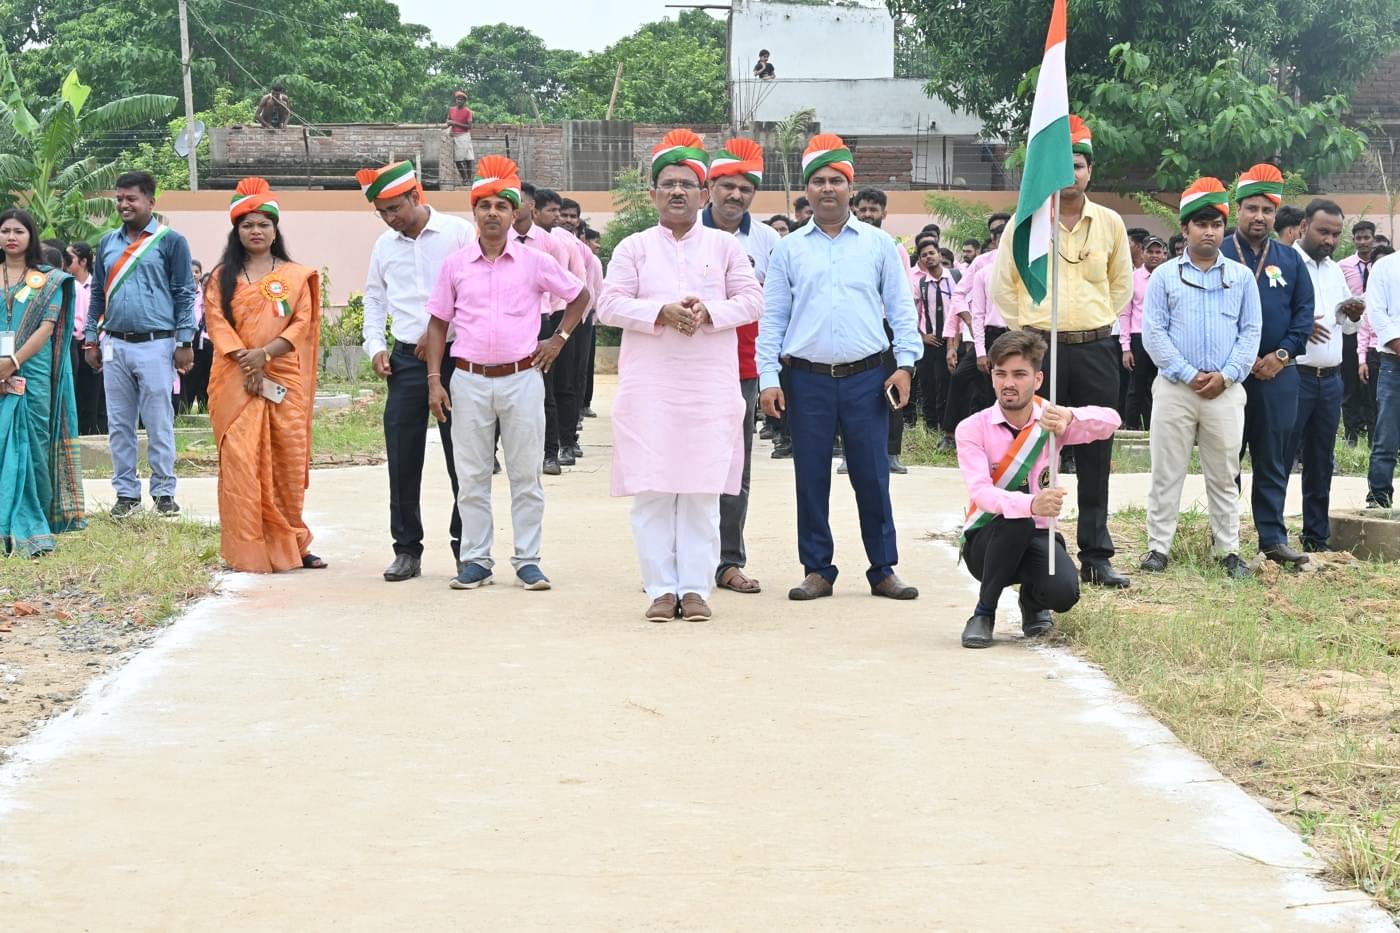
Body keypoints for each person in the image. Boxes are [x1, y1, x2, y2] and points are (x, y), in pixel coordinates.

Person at [599, 130, 763, 621]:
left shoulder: (725, 246)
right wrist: (661, 311)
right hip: (649, 388)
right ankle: (659, 589)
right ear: (652, 195)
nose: (677, 192)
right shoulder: (633, 247)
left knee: (700, 488)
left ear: (703, 193)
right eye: (668, 184)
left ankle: (695, 589)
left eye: (687, 184)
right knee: (652, 488)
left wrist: (709, 312)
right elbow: (607, 304)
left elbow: (753, 300)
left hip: (709, 389)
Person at [759, 133, 922, 602]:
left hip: (868, 379)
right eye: (818, 181)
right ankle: (817, 569)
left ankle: (883, 568)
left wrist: (905, 365)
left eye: (836, 180)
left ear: (851, 188)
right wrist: (769, 377)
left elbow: (901, 310)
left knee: (872, 475)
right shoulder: (789, 250)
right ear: (806, 191)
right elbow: (773, 319)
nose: (827, 189)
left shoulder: (878, 245)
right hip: (806, 380)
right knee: (810, 477)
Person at [425, 155, 589, 592]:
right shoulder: (456, 265)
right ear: (474, 212)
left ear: (516, 211)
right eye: (485, 206)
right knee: (472, 474)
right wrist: (434, 380)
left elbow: (580, 294)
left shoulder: (534, 261)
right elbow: (439, 322)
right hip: (469, 379)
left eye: (502, 205)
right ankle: (476, 560)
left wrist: (558, 340)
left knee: (525, 474)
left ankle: (528, 560)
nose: (493, 213)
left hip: (521, 379)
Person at [991, 116, 1135, 588]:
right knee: (1036, 451)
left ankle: (1096, 554)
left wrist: (1089, 324)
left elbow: (1121, 288)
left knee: (1095, 453)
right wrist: (1031, 339)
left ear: (1090, 171)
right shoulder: (1025, 222)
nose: (1070, 174)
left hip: (1094, 348)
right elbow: (1005, 288)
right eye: (1062, 165)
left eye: (1078, 166)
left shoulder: (1110, 223)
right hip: (1041, 352)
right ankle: (1040, 549)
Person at [956, 331, 1119, 648]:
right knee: (1017, 520)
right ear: (991, 376)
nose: (1008, 384)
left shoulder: (1051, 420)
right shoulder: (972, 428)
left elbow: (1111, 420)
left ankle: (1032, 603)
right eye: (1000, 374)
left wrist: (1072, 416)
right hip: (987, 541)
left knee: (1064, 592)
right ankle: (983, 612)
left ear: (1038, 378)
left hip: (1039, 535)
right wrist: (1031, 505)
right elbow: (982, 494)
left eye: (1019, 374)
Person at [359, 159, 475, 582]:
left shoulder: (459, 233)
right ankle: (406, 549)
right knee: (402, 456)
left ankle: (468, 548)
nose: (391, 218)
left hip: (458, 358)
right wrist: (375, 347)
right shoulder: (384, 246)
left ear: (415, 196)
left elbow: (476, 290)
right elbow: (374, 299)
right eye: (383, 212)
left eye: (395, 208)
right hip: (405, 361)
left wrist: (442, 332)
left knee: (462, 455)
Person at [1140, 178, 1261, 579]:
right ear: (1185, 229)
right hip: (1176, 388)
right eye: (1201, 224)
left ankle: (1227, 551)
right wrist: (1190, 374)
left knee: (1226, 474)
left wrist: (1226, 376)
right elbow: (1153, 333)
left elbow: (1251, 332)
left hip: (1225, 391)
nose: (1209, 231)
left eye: (1216, 224)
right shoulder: (1164, 277)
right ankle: (1158, 548)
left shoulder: (1242, 277)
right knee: (1166, 471)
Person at [203, 179, 324, 572]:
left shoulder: (294, 275)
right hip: (234, 377)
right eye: (247, 225)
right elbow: (216, 323)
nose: (256, 231)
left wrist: (264, 355)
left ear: (276, 230)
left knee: (286, 460)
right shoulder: (221, 277)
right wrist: (246, 361)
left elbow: (301, 324)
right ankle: (247, 547)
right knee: (240, 459)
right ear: (236, 232)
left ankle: (295, 542)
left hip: (282, 377)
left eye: (263, 225)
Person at [84, 170, 196, 517]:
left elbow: (184, 293)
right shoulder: (106, 243)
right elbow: (98, 296)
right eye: (119, 198)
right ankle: (126, 494)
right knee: (119, 424)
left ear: (150, 200)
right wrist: (91, 338)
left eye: (131, 198)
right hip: (115, 344)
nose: (123, 205)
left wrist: (185, 340)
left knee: (158, 420)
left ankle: (164, 491)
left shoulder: (170, 241)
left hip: (156, 344)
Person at [1219, 163, 1314, 568]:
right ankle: (1226, 540)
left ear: (1276, 216)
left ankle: (1272, 538)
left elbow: (1304, 314)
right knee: (1226, 458)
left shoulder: (1290, 261)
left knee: (1273, 457)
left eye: (1267, 210)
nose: (1259, 216)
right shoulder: (1218, 252)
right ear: (1237, 209)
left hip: (1277, 375)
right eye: (1252, 208)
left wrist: (1281, 355)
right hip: (1227, 376)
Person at [702, 137, 780, 596]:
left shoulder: (768, 241)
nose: (735, 195)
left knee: (735, 467)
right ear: (710, 187)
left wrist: (770, 372)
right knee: (682, 461)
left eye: (744, 189)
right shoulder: (685, 230)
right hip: (687, 367)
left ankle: (729, 561)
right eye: (727, 186)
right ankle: (680, 559)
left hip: (742, 368)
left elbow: (772, 310)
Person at [0, 208, 85, 555]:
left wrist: (12, 362)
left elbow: (46, 329)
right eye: (5, 230)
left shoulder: (49, 279)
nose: (11, 237)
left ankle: (32, 523)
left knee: (32, 442)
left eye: (18, 231)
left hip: (30, 371)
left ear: (31, 236)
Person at [1289, 199, 1365, 551]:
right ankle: (1273, 537)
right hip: (1295, 376)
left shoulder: (1335, 271)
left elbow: (1346, 329)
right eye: (1324, 232)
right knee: (1280, 457)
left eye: (1336, 234)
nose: (1330, 240)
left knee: (1321, 461)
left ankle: (1315, 537)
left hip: (1330, 379)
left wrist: (1351, 314)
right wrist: (1301, 328)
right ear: (1304, 226)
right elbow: (1271, 316)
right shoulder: (1285, 264)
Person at [512, 183, 580, 475]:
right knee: (504, 388)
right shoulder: (494, 240)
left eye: (517, 202)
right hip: (507, 323)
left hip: (543, 319)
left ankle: (552, 452)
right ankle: (494, 452)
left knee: (547, 388)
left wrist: (557, 334)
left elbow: (569, 287)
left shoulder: (552, 243)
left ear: (530, 206)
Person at [851, 186, 912, 474]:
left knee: (891, 389)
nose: (867, 214)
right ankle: (850, 456)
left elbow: (903, 296)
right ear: (854, 210)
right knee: (853, 393)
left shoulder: (894, 247)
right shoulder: (846, 245)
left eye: (873, 210)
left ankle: (892, 453)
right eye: (862, 209)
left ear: (884, 213)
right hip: (856, 326)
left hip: (886, 328)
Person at [546, 194, 593, 467]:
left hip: (564, 317)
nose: (562, 219)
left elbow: (585, 286)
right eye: (558, 213)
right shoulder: (514, 242)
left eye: (567, 215)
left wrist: (576, 325)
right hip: (532, 319)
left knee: (565, 383)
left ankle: (566, 442)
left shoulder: (570, 245)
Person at [1364, 242, 1400, 508]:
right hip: (1393, 361)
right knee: (1386, 433)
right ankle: (1378, 497)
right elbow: (1374, 310)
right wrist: (1397, 342)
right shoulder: (1385, 267)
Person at [911, 239, 955, 436]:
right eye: (924, 255)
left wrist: (954, 342)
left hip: (951, 342)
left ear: (939, 254)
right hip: (928, 343)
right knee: (928, 386)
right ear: (920, 260)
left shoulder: (955, 277)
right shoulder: (920, 284)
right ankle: (930, 430)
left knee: (945, 387)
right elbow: (913, 313)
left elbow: (961, 311)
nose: (928, 257)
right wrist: (922, 337)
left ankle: (946, 429)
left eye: (931, 253)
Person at [1340, 220, 1378, 446]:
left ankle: (1372, 432)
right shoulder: (1342, 266)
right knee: (1350, 383)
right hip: (1350, 331)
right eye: (1359, 238)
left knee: (1371, 385)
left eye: (1367, 237)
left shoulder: (1381, 266)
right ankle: (1350, 435)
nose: (1363, 242)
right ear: (1354, 240)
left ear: (1373, 238)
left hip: (1375, 334)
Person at [65, 241, 103, 435]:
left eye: (69, 258)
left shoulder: (96, 286)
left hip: (91, 344)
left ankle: (90, 434)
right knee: (75, 395)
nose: (65, 262)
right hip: (71, 345)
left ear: (83, 261)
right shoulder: (65, 284)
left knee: (91, 397)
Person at [1120, 228, 1156, 429]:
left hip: (1161, 338)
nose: (1154, 255)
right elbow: (1125, 313)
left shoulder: (1168, 276)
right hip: (1138, 337)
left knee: (1158, 387)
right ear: (1143, 253)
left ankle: (1153, 426)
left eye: (1159, 252)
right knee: (1137, 387)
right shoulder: (1132, 278)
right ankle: (1132, 427)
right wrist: (1125, 347)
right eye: (1150, 251)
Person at [177, 258, 213, 414]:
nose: (193, 275)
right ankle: (184, 410)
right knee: (188, 378)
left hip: (205, 342)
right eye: (190, 272)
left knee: (206, 378)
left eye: (196, 272)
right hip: (186, 342)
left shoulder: (205, 295)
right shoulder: (181, 293)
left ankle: (205, 410)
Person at [581, 226, 604, 419]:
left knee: (585, 365)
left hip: (589, 315)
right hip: (578, 314)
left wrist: (594, 314)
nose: (598, 246)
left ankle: (585, 403)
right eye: (595, 241)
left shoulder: (593, 260)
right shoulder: (588, 258)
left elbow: (597, 289)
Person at [446, 90, 475, 184]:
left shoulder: (468, 112)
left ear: (464, 101)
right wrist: (449, 122)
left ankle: (468, 179)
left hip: (464, 136)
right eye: (458, 99)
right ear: (455, 100)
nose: (459, 101)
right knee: (458, 159)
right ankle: (465, 179)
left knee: (468, 158)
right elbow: (448, 120)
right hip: (455, 136)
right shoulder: (451, 109)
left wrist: (455, 123)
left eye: (461, 99)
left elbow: (469, 126)